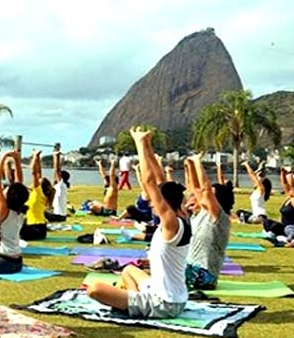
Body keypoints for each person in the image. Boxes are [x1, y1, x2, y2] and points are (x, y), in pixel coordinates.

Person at [87, 127, 190, 318]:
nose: (151, 206)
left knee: (94, 288)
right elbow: (158, 179)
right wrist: (148, 146)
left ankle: (132, 304)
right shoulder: (180, 218)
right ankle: (132, 302)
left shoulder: (171, 224)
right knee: (129, 270)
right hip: (169, 296)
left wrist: (139, 143)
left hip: (165, 303)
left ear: (165, 203)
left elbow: (149, 182)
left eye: (154, 202)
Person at [183, 153, 233, 290]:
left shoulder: (219, 218)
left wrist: (198, 162)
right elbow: (196, 189)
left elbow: (205, 190)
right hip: (192, 268)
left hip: (205, 276)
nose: (204, 196)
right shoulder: (200, 213)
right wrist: (191, 165)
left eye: (212, 194)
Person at [0, 150, 28, 274]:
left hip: (2, 262)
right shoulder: (20, 209)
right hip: (17, 263)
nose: (5, 189)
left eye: (7, 189)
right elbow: (19, 183)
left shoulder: (3, 209)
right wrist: (16, 160)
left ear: (10, 195)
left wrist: (4, 157)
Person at [262, 167, 294, 237]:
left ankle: (278, 237)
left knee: (273, 227)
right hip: (284, 228)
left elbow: (292, 185)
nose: (290, 190)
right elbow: (284, 183)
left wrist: (290, 173)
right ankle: (276, 235)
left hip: (292, 230)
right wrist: (283, 171)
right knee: (267, 222)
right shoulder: (289, 198)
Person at [20, 150, 48, 241]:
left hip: (35, 229)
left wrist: (34, 157)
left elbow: (34, 173)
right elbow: (39, 174)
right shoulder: (40, 193)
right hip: (41, 229)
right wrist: (38, 159)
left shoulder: (38, 192)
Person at [48, 150, 70, 221]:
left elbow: (57, 170)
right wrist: (55, 157)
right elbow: (55, 172)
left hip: (58, 216)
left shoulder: (61, 185)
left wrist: (57, 156)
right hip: (62, 216)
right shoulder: (62, 186)